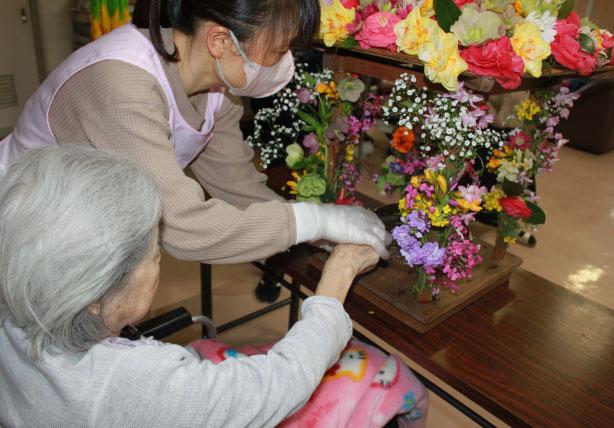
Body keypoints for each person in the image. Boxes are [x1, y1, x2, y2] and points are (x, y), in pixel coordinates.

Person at [0, 147, 427, 427]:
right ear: (94, 298)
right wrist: (338, 276)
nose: (160, 261)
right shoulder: (130, 386)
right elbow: (282, 383)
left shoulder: (15, 311)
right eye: (153, 254)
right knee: (378, 372)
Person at [0, 0, 390, 267]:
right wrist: (314, 220)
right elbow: (181, 227)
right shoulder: (121, 83)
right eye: (279, 48)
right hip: (24, 228)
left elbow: (238, 189)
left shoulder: (216, 90)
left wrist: (315, 231)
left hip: (84, 222)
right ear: (220, 41)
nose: (283, 62)